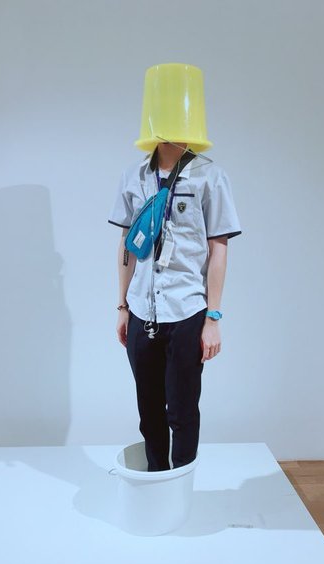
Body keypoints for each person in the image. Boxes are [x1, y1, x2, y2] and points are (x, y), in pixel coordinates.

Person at [108, 64, 241, 471]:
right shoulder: (134, 177)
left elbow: (218, 249)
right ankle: (155, 480)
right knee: (148, 411)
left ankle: (181, 484)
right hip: (141, 311)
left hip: (186, 312)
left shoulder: (210, 177)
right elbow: (127, 246)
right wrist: (123, 306)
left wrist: (213, 318)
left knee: (182, 411)